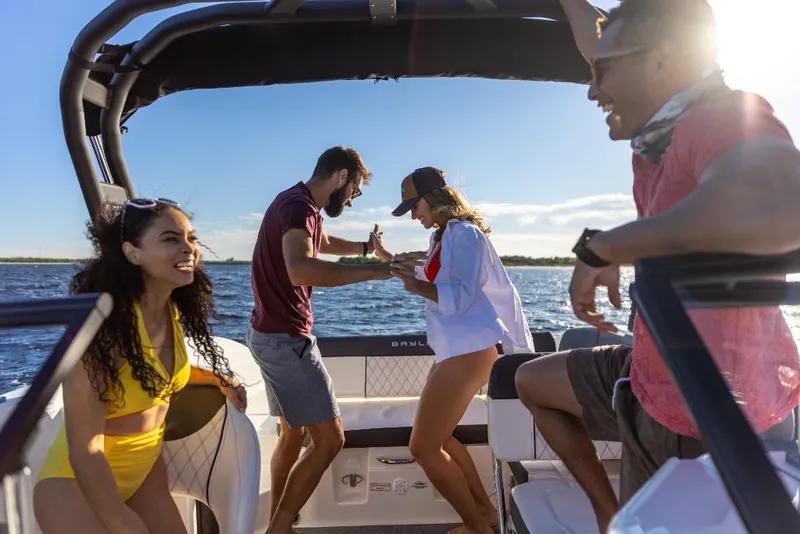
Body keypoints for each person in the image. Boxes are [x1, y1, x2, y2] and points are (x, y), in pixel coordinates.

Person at [514, 0, 800, 531]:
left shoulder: (724, 116)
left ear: (664, 61)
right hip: (648, 372)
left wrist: (603, 247)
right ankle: (608, 515)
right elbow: (599, 44)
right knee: (530, 381)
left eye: (604, 73)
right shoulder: (656, 135)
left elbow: (776, 205)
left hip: (711, 410)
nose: (592, 89)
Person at [33, 198, 248, 534]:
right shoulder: (101, 334)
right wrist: (122, 520)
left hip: (145, 475)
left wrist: (215, 377)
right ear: (133, 253)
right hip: (76, 485)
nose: (189, 248)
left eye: (191, 238)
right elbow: (85, 448)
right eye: (171, 239)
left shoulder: (170, 313)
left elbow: (154, 377)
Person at [375, 167, 535, 534]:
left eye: (415, 207)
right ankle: (485, 516)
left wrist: (413, 286)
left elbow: (460, 297)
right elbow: (431, 270)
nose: (414, 215)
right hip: (457, 350)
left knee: (424, 448)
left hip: (471, 350)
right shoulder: (443, 237)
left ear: (434, 199)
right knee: (439, 437)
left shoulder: (464, 234)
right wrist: (389, 257)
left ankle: (476, 526)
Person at [247, 146, 393, 534]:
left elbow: (321, 244)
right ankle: (278, 529)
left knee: (292, 433)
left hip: (264, 334)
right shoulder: (299, 208)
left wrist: (365, 250)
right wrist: (375, 273)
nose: (353, 199)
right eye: (355, 190)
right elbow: (301, 269)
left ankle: (281, 518)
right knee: (330, 441)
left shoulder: (295, 203)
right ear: (342, 177)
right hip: (285, 341)